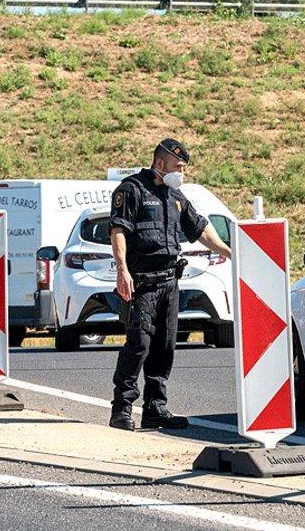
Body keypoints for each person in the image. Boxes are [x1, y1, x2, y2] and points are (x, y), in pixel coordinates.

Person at [108, 138, 233, 431]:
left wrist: (230, 252)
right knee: (138, 344)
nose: (182, 173)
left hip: (169, 282)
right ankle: (121, 409)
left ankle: (155, 408)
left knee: (164, 348)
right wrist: (122, 270)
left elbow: (201, 230)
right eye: (178, 167)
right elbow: (118, 230)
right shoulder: (132, 189)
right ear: (160, 163)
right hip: (142, 284)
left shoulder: (175, 196)